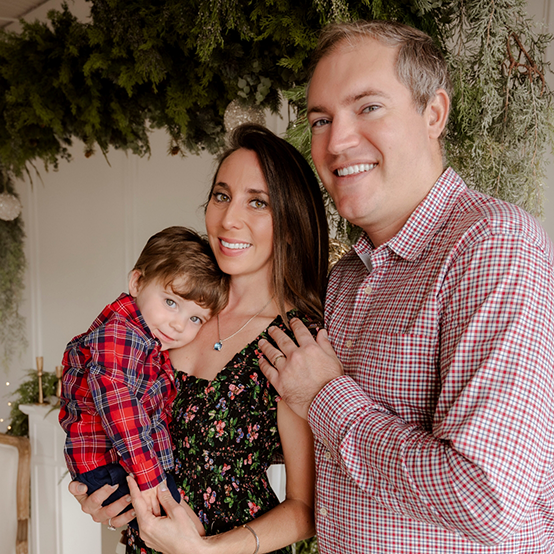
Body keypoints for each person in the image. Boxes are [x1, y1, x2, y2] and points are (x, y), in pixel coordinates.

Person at [258, 19, 554, 554]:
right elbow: (330, 453)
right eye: (321, 119)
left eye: (368, 107)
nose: (337, 141)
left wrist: (326, 396)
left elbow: (486, 499)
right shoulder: (347, 277)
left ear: (434, 113)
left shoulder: (493, 245)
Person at [68, 123, 330, 554]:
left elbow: (305, 508)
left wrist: (207, 551)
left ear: (289, 224)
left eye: (258, 202)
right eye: (222, 195)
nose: (229, 219)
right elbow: (103, 405)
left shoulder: (293, 340)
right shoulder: (171, 310)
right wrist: (99, 495)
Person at [60, 226, 228, 533]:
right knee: (189, 532)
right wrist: (151, 478)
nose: (178, 325)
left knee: (186, 533)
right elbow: (120, 408)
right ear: (137, 282)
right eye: (170, 302)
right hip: (116, 468)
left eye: (195, 319)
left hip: (125, 467)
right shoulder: (120, 337)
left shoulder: (148, 343)